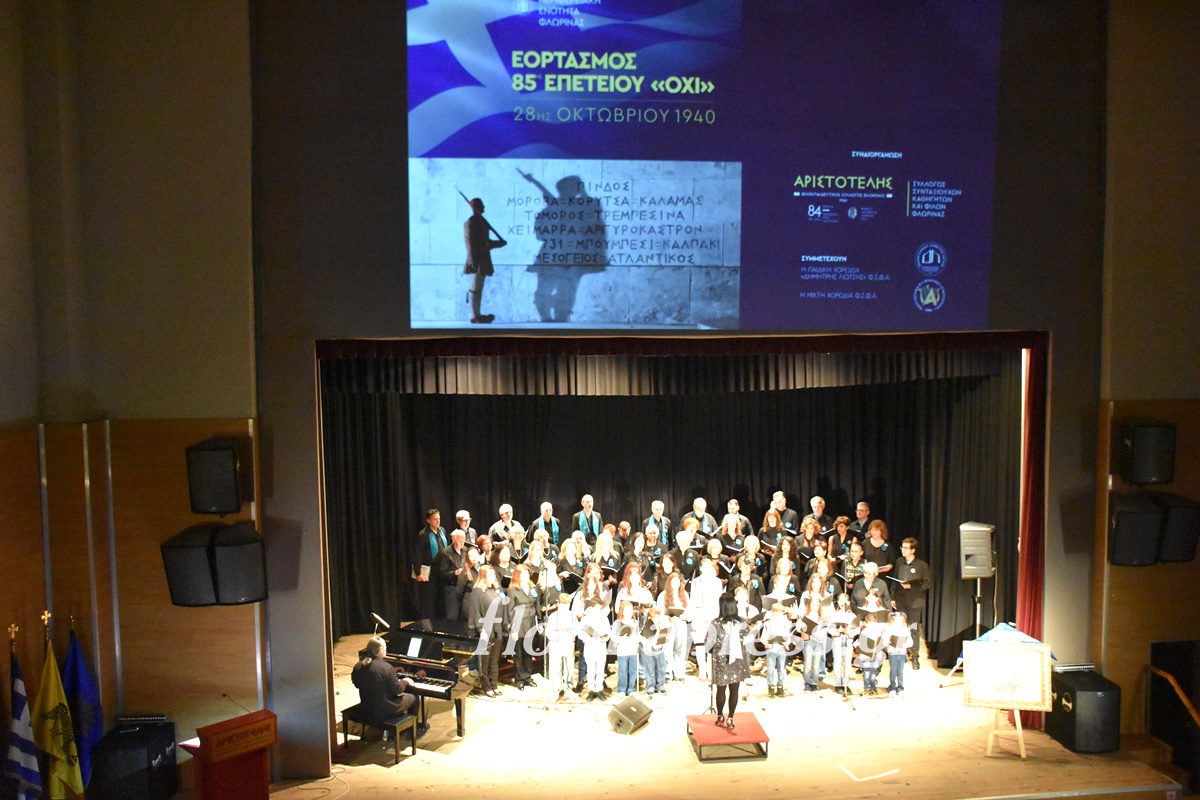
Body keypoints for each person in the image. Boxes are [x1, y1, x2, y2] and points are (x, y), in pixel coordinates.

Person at [351, 637, 421, 728]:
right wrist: (405, 681)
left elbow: (357, 684)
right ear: (381, 649)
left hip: (366, 707)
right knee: (414, 698)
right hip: (386, 710)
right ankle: (410, 730)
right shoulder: (387, 667)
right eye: (385, 647)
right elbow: (398, 689)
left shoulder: (358, 665)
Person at [465, 565, 506, 697]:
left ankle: (494, 684)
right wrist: (480, 629)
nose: (494, 577)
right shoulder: (477, 591)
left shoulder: (496, 589)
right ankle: (486, 686)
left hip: (497, 627)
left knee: (494, 659)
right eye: (490, 575)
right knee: (485, 660)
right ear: (483, 576)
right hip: (485, 629)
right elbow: (475, 611)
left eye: (494, 574)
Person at [463, 197, 506, 323]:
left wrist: (496, 244)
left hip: (483, 256)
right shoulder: (471, 222)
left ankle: (477, 314)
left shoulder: (481, 221)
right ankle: (474, 315)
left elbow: (485, 242)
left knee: (479, 286)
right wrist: (472, 261)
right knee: (475, 286)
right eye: (481, 205)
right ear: (476, 207)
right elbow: (470, 243)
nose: (484, 207)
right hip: (476, 258)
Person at [709, 593, 750, 728]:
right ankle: (731, 718)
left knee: (720, 690)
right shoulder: (743, 623)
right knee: (734, 689)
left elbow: (709, 644)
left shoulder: (716, 623)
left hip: (721, 661)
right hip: (738, 660)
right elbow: (748, 638)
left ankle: (720, 716)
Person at [892, 537, 932, 669]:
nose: (903, 550)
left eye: (906, 548)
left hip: (915, 601)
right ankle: (901, 653)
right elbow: (895, 580)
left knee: (913, 628)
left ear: (913, 550)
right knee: (900, 627)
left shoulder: (922, 565)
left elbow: (927, 583)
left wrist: (912, 587)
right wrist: (892, 597)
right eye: (902, 547)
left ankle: (914, 656)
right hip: (900, 599)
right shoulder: (899, 562)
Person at [412, 509, 449, 631]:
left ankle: (439, 625)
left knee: (440, 598)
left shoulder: (442, 531)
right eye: (435, 519)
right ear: (428, 520)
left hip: (442, 569)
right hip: (429, 570)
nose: (438, 521)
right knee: (428, 600)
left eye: (439, 519)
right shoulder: (423, 535)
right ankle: (427, 627)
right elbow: (417, 554)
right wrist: (418, 572)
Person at [506, 564, 540, 689]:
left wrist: (539, 621)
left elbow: (536, 606)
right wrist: (513, 629)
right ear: (517, 575)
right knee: (518, 653)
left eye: (527, 573)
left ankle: (527, 677)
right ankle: (519, 678)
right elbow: (510, 610)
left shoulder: (533, 588)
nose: (526, 576)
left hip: (530, 623)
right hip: (519, 624)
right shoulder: (512, 590)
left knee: (528, 652)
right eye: (523, 574)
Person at [544, 592, 577, 701]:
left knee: (569, 667)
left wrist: (572, 634)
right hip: (556, 644)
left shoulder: (572, 615)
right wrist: (557, 636)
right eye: (563, 604)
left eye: (567, 605)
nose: (565, 607)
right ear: (559, 604)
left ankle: (568, 688)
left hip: (568, 643)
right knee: (555, 667)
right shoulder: (553, 616)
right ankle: (555, 690)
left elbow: (576, 628)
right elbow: (548, 631)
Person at [658, 570, 690, 681]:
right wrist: (669, 618)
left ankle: (679, 673)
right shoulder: (663, 595)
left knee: (680, 649)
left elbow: (689, 611)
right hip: (667, 625)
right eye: (673, 582)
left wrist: (683, 616)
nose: (675, 585)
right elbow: (660, 612)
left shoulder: (684, 595)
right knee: (667, 649)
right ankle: (668, 672)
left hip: (680, 624)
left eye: (677, 582)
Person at [434, 527, 469, 628]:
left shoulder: (465, 550)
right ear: (454, 540)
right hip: (451, 587)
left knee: (464, 614)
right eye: (460, 541)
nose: (462, 543)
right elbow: (442, 574)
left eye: (464, 540)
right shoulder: (446, 553)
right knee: (452, 616)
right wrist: (455, 573)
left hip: (464, 587)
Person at [579, 600, 611, 701]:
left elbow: (608, 632)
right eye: (597, 608)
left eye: (600, 609)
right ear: (591, 608)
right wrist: (589, 638)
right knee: (591, 669)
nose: (599, 611)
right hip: (590, 646)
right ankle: (591, 689)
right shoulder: (585, 619)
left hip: (600, 646)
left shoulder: (604, 619)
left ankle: (599, 689)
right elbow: (580, 634)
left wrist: (604, 637)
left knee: (600, 668)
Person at [828, 593, 858, 695]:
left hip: (848, 640)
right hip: (837, 640)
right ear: (838, 602)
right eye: (840, 600)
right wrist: (837, 631)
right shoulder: (834, 615)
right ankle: (838, 684)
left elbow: (857, 628)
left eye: (845, 600)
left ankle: (845, 684)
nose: (843, 603)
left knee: (847, 663)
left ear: (848, 602)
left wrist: (851, 632)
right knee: (837, 661)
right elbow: (829, 628)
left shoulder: (852, 616)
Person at [613, 600, 640, 697]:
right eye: (627, 611)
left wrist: (636, 640)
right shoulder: (617, 623)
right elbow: (614, 637)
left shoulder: (635, 622)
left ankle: (631, 688)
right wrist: (622, 638)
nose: (629, 613)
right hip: (622, 650)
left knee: (632, 670)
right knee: (622, 671)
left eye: (630, 610)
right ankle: (621, 689)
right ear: (622, 611)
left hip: (632, 649)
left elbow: (638, 635)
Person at [641, 606, 669, 695]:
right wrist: (650, 645)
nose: (657, 619)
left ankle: (660, 686)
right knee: (650, 670)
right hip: (649, 651)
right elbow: (643, 640)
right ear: (650, 618)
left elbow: (664, 636)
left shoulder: (661, 625)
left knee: (661, 669)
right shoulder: (647, 627)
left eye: (658, 617)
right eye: (655, 617)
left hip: (659, 650)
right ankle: (650, 688)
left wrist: (663, 643)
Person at [885, 611, 913, 697]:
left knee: (900, 672)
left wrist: (905, 645)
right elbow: (884, 640)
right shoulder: (889, 630)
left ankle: (900, 688)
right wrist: (887, 643)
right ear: (892, 621)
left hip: (902, 653)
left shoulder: (906, 631)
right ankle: (892, 687)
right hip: (893, 652)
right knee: (893, 671)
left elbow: (910, 642)